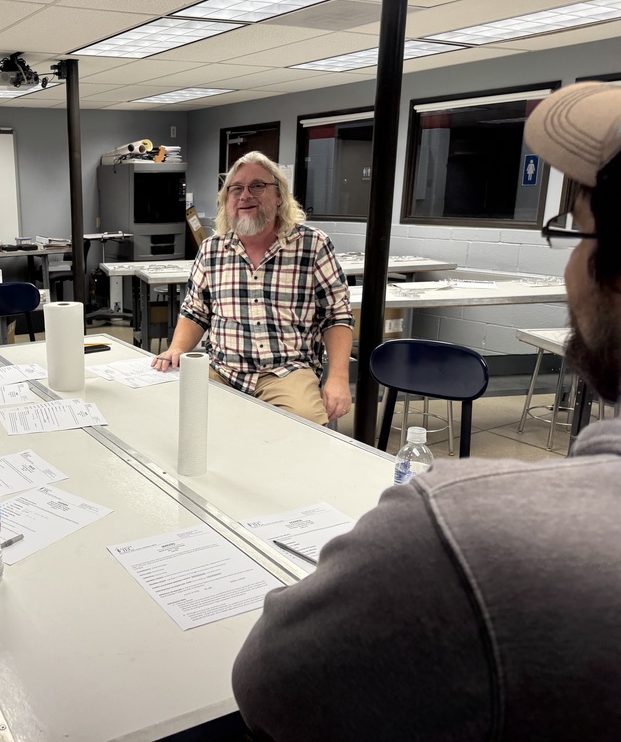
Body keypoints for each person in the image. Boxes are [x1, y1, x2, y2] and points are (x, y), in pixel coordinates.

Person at [232, 82, 621, 740]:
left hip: (287, 371)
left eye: (577, 229)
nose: (574, 260)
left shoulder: (459, 536)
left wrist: (331, 377)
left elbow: (266, 684)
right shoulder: (218, 250)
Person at [151, 151, 353, 424]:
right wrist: (176, 348)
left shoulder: (312, 245)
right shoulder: (213, 249)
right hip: (222, 369)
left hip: (287, 371)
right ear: (227, 201)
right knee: (173, 413)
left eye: (257, 186)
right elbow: (196, 310)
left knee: (306, 430)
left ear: (279, 195)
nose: (245, 195)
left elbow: (336, 315)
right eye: (236, 189)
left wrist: (338, 379)